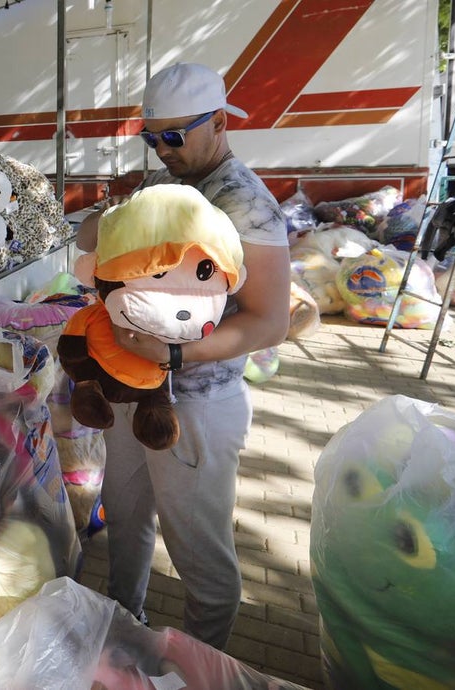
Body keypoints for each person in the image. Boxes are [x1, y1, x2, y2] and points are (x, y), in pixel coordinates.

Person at [76, 62, 290, 650]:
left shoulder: (245, 203)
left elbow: (270, 321)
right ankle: (124, 628)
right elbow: (88, 238)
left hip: (195, 405)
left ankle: (204, 666)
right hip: (129, 389)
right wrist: (110, 217)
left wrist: (176, 351)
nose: (161, 150)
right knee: (124, 516)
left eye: (173, 136)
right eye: (151, 137)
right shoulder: (163, 187)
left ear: (219, 123)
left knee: (200, 555)